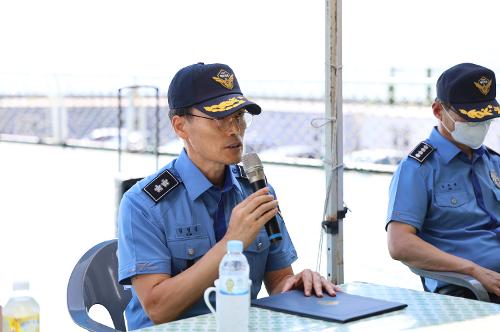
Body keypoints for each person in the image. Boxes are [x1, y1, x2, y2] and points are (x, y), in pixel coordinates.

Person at [117, 62, 340, 329]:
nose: (235, 129)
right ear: (180, 127)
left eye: (239, 117)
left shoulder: (255, 190)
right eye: (220, 119)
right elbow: (157, 308)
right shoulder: (143, 204)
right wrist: (231, 242)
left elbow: (278, 280)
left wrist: (297, 284)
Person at [386, 63, 500, 303]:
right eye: (469, 118)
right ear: (439, 111)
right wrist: (471, 270)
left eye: (485, 117)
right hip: (469, 287)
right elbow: (399, 243)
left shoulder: (491, 162)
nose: (480, 126)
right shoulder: (418, 169)